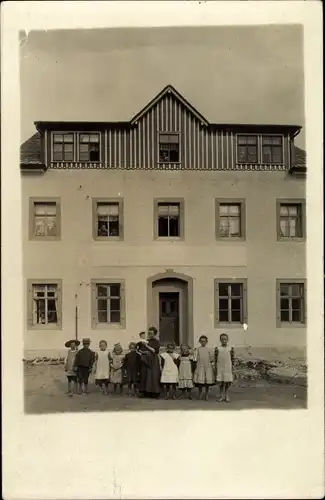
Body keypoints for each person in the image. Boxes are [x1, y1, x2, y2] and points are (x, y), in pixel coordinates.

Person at [138, 326, 161, 398]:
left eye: (151, 333)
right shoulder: (146, 341)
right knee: (145, 375)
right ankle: (145, 392)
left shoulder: (156, 342)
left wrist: (147, 346)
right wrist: (144, 351)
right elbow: (140, 350)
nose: (150, 335)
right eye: (149, 333)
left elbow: (155, 351)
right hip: (146, 359)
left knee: (153, 375)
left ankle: (154, 392)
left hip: (153, 360)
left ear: (155, 334)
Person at [193, 335, 215, 400]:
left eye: (204, 341)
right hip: (200, 366)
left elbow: (211, 358)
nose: (203, 342)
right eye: (201, 341)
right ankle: (200, 392)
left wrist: (212, 366)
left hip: (207, 366)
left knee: (207, 381)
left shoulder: (209, 349)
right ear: (199, 341)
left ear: (206, 342)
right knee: (200, 381)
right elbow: (195, 358)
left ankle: (206, 393)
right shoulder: (197, 349)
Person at [215, 333, 235, 403]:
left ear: (227, 340)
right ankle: (221, 395)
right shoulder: (217, 348)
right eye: (222, 339)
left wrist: (232, 366)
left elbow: (232, 358)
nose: (224, 341)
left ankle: (226, 394)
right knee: (221, 382)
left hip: (227, 367)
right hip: (220, 366)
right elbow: (215, 358)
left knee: (227, 382)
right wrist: (215, 367)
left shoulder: (230, 348)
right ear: (220, 340)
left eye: (225, 339)